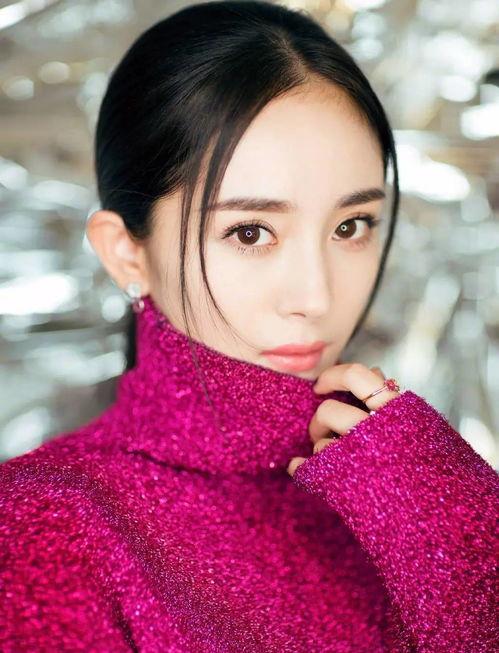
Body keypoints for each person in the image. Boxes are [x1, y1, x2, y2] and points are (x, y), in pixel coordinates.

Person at [1, 2, 497, 651]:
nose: (316, 296)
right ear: (126, 252)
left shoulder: (417, 491)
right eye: (250, 232)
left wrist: (466, 542)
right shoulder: (43, 524)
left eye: (351, 226)